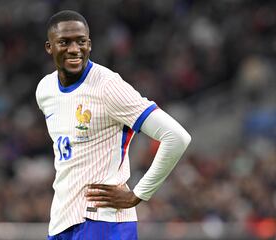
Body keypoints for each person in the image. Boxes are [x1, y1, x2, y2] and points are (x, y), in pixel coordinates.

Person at [35, 10, 191, 240]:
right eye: (64, 42)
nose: (74, 49)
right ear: (50, 47)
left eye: (81, 41)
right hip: (61, 222)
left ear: (90, 44)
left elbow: (176, 137)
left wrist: (138, 194)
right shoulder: (45, 90)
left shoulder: (107, 86)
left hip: (103, 223)